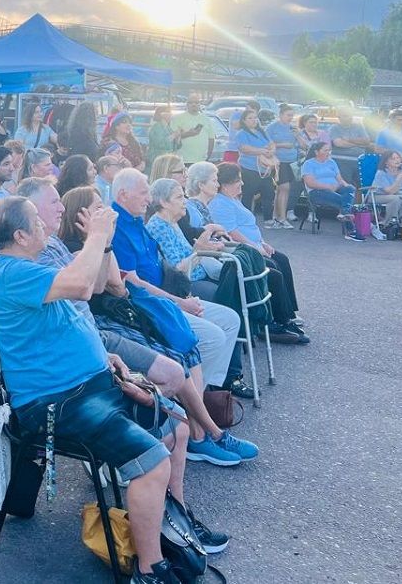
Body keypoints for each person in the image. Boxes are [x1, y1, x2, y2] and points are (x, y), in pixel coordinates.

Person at [0, 195, 227, 584]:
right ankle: (150, 571)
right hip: (56, 403)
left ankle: (174, 528)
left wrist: (107, 242)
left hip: (89, 384)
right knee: (152, 461)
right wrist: (95, 235)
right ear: (20, 235)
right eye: (37, 220)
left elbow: (97, 285)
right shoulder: (10, 272)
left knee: (178, 429)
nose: (46, 226)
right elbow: (81, 286)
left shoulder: (28, 265)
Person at [37, 179, 254, 466]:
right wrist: (100, 239)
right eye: (98, 209)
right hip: (103, 322)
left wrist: (103, 242)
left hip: (113, 314)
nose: (106, 214)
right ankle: (187, 433)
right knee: (180, 353)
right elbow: (109, 285)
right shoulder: (74, 246)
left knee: (186, 348)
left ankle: (201, 433)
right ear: (81, 216)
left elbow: (110, 283)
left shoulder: (75, 244)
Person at [108, 170, 243, 424]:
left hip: (169, 294)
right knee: (213, 337)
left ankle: (204, 397)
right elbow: (133, 284)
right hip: (148, 305)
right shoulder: (118, 228)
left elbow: (162, 266)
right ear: (123, 194)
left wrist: (182, 294)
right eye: (144, 192)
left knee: (230, 319)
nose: (149, 199)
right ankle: (194, 416)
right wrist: (180, 302)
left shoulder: (137, 222)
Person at [188, 162, 308, 344]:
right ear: (201, 185)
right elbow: (216, 238)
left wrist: (260, 243)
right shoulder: (203, 207)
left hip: (229, 251)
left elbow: (224, 235)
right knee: (272, 270)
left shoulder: (214, 204)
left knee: (279, 261)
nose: (217, 184)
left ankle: (285, 315)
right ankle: (273, 321)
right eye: (214, 180)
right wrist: (252, 247)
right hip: (219, 259)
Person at [300, 141, 362, 241]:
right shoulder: (308, 164)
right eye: (325, 150)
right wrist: (327, 186)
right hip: (317, 192)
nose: (329, 152)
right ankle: (351, 230)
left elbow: (340, 179)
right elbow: (309, 183)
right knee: (344, 202)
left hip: (335, 189)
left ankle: (346, 217)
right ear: (316, 152)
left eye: (329, 150)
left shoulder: (331, 162)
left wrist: (346, 185)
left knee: (350, 189)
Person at [228, 107, 277, 225]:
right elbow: (244, 148)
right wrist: (261, 151)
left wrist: (271, 151)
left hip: (265, 169)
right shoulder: (241, 134)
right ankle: (246, 219)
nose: (254, 120)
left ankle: (268, 219)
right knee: (248, 194)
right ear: (244, 121)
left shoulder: (262, 132)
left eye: (255, 118)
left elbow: (271, 144)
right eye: (250, 118)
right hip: (249, 168)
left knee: (269, 192)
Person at [264, 104, 301, 228]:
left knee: (281, 190)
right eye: (288, 115)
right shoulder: (272, 128)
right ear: (280, 115)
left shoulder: (293, 128)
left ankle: (277, 216)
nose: (290, 118)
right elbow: (266, 143)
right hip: (279, 161)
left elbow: (303, 145)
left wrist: (298, 135)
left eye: (292, 115)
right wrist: (282, 145)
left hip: (292, 161)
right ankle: (282, 218)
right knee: (284, 188)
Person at [170, 94, 213, 165]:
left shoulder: (206, 119)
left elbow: (211, 138)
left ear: (200, 105)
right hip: (183, 160)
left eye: (196, 102)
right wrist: (188, 134)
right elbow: (172, 138)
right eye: (191, 102)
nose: (194, 104)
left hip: (201, 160)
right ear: (186, 104)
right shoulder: (178, 118)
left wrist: (208, 156)